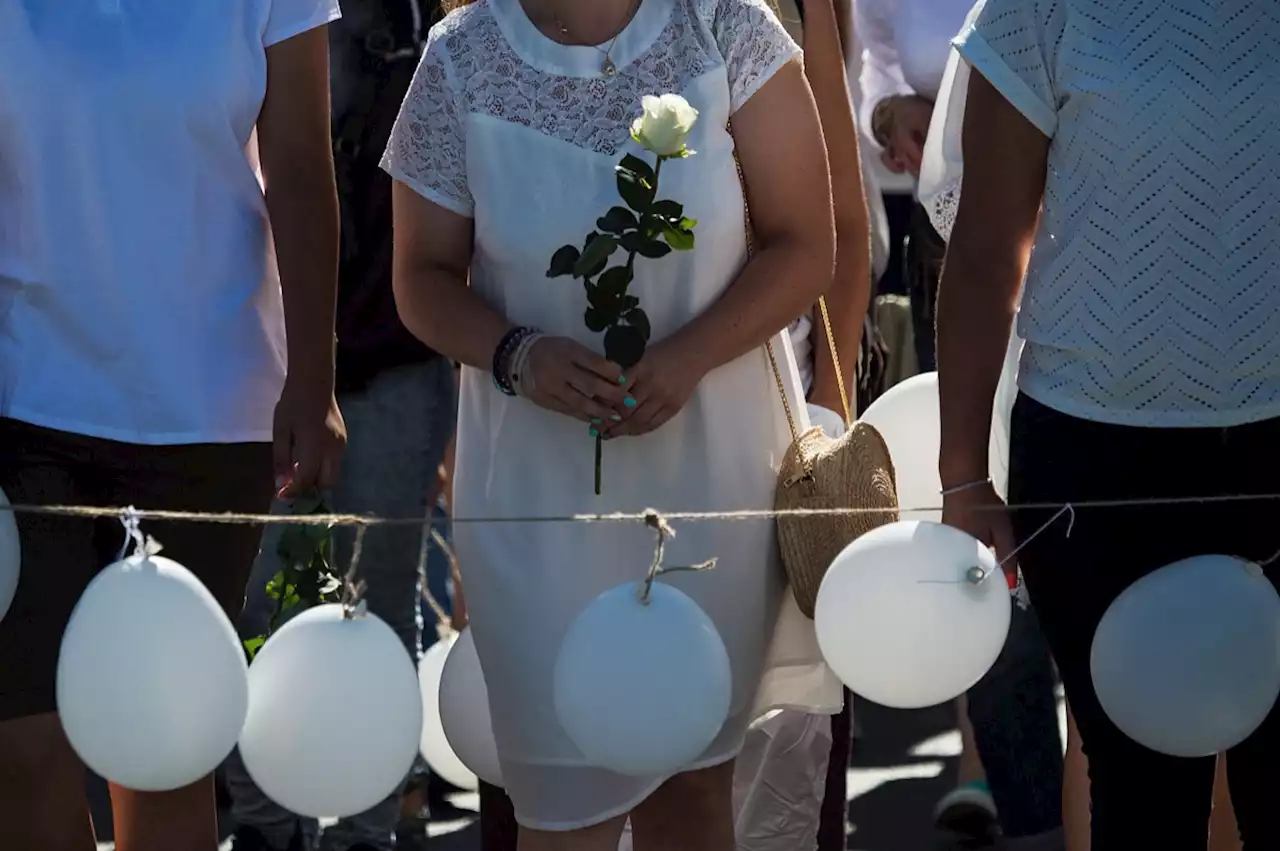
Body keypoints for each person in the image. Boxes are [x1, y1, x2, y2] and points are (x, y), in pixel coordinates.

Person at [384, 0, 840, 848]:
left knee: (693, 796)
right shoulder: (458, 59)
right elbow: (420, 276)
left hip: (709, 483)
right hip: (535, 499)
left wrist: (690, 355)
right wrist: (517, 353)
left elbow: (806, 241)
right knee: (560, 815)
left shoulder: (725, 25)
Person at [935, 0, 1280, 848]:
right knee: (1140, 799)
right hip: (1093, 462)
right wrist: (963, 472)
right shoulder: (1036, 9)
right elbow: (983, 250)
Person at [0, 2, 344, 850]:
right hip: (23, 404)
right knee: (20, 747)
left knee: (158, 754)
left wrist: (314, 380)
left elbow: (301, 166)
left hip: (208, 412)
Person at [224, 3, 458, 850]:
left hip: (399, 353)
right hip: (259, 354)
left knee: (380, 600)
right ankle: (263, 823)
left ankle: (370, 822)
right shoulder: (251, 15)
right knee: (258, 604)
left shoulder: (426, 19)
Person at [852, 0, 1066, 846]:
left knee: (1092, 528)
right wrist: (890, 115)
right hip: (960, 246)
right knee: (980, 527)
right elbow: (870, 72)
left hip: (1095, 239)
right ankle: (1025, 807)